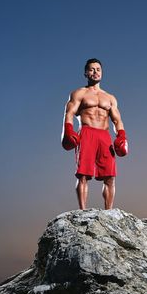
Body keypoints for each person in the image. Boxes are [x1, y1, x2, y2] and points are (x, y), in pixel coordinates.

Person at [61, 58, 128, 210]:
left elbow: (117, 120)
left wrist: (122, 136)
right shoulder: (79, 93)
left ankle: (109, 212)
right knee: (83, 174)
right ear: (86, 73)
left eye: (98, 69)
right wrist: (68, 129)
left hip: (104, 136)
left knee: (110, 177)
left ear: (101, 72)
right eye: (91, 69)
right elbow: (69, 112)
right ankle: (82, 211)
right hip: (87, 133)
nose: (95, 72)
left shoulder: (110, 98)